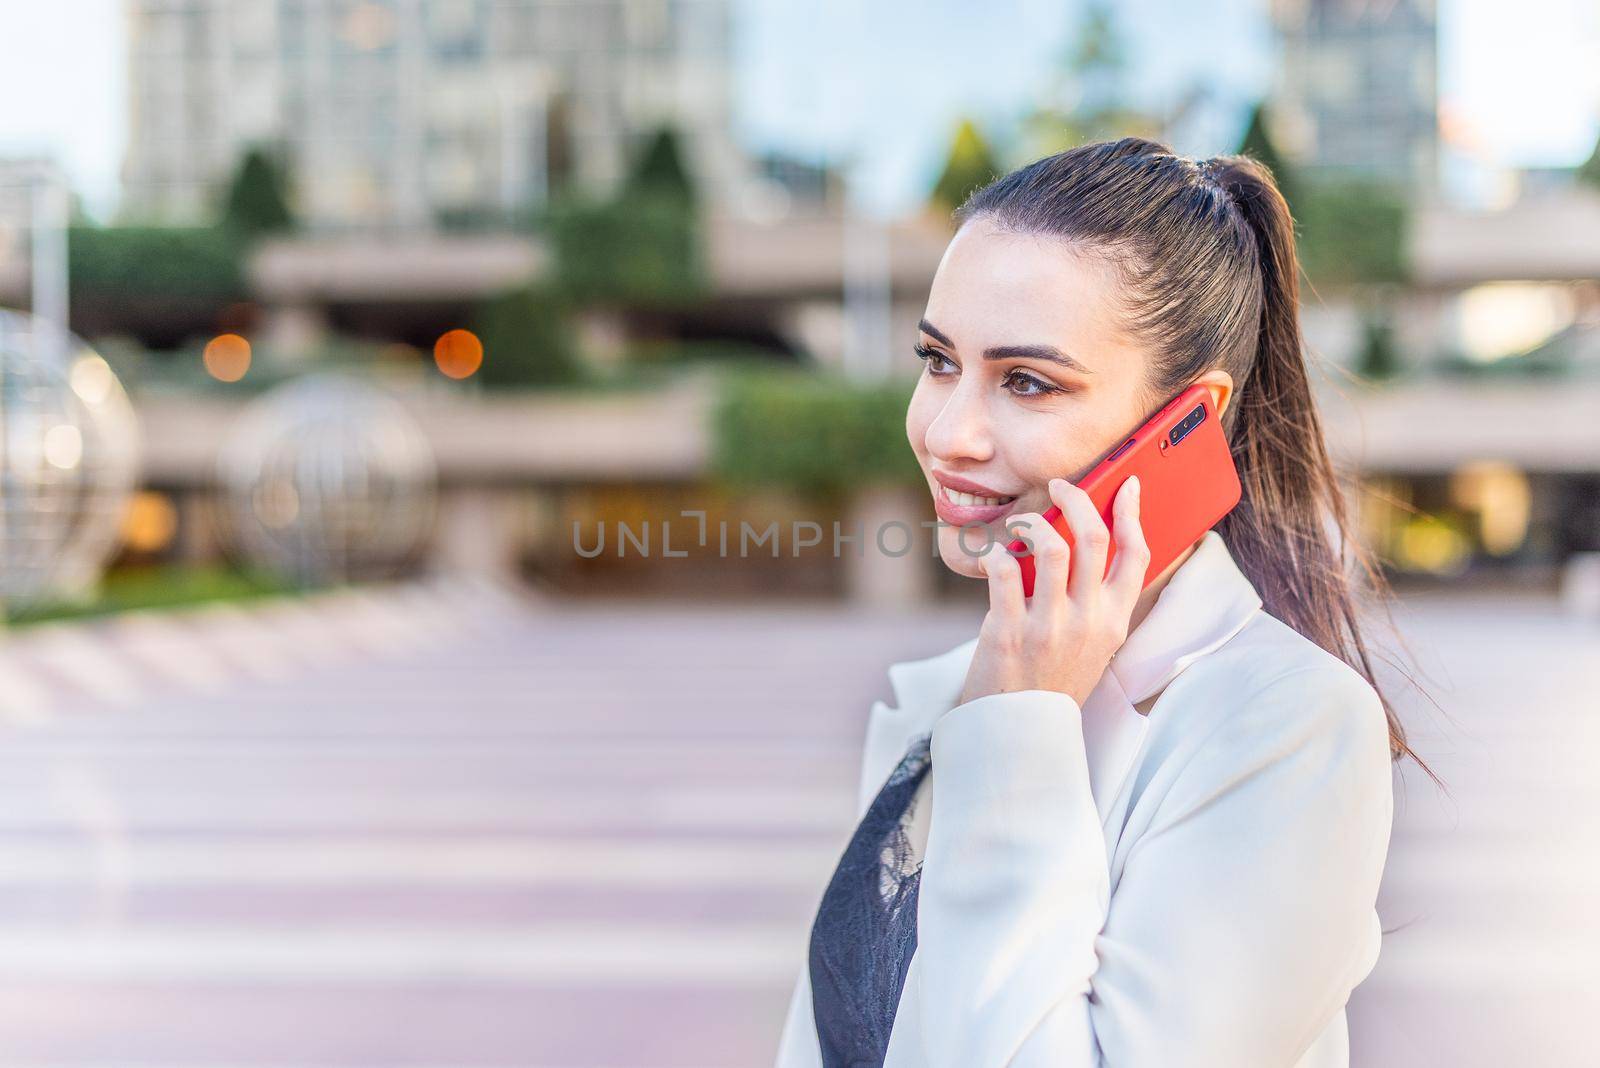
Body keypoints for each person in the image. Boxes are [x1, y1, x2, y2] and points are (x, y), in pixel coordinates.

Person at [772, 137, 1437, 1068]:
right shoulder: (943, 702)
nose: (948, 432)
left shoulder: (1289, 729)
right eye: (937, 361)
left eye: (1028, 381)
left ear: (1188, 419)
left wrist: (1021, 727)